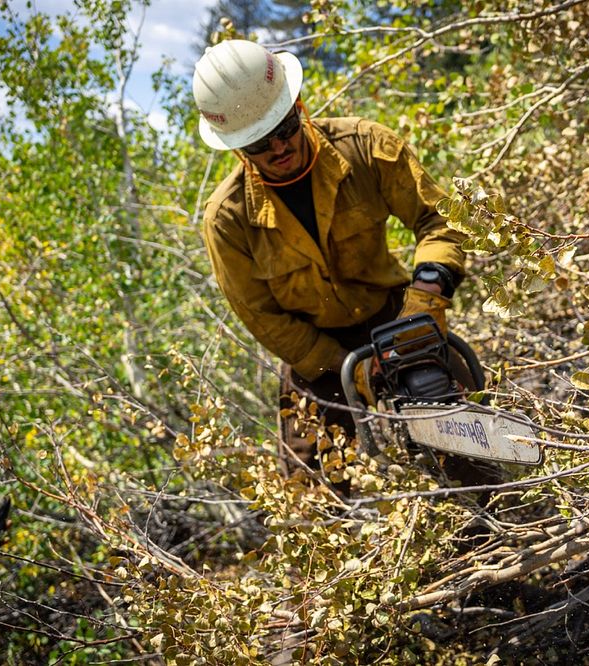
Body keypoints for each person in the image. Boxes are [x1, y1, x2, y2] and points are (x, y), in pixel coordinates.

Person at [194, 39, 467, 467]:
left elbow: (439, 218)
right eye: (260, 144)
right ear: (237, 148)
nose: (279, 148)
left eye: (285, 129)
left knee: (460, 433)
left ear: (298, 106)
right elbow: (263, 317)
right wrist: (345, 367)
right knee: (314, 481)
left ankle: (482, 518)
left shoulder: (365, 147)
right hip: (315, 350)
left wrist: (427, 297)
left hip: (394, 314)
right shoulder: (227, 220)